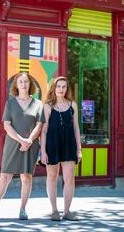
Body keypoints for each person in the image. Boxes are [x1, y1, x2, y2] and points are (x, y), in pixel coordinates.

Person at [0, 72, 44, 220]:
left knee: (26, 177)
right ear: (16, 85)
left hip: (30, 145)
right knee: (4, 176)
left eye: (26, 81)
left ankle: (23, 210)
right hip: (13, 144)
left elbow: (39, 126)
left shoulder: (38, 104)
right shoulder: (10, 103)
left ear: (30, 84)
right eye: (21, 82)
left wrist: (29, 141)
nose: (24, 84)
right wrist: (22, 140)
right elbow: (7, 126)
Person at [40, 76, 82, 221]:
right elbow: (44, 131)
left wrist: (79, 149)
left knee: (69, 179)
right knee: (52, 177)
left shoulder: (73, 105)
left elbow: (76, 128)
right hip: (52, 144)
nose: (61, 89)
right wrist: (43, 151)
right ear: (54, 88)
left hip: (69, 144)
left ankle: (67, 211)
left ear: (67, 89)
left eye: (64, 86)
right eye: (58, 86)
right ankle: (54, 210)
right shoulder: (47, 106)